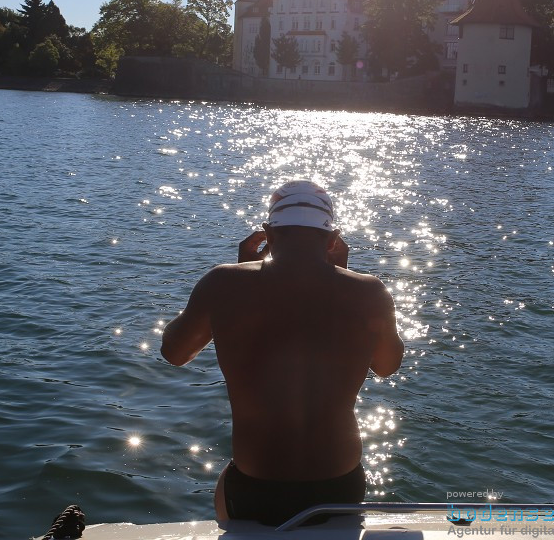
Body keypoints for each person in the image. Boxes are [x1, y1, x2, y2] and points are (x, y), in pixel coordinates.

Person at [160, 180, 404, 526]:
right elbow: (387, 366)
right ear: (333, 240)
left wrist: (236, 280)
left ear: (267, 234)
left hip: (254, 487)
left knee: (224, 495)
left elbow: (174, 352)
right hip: (340, 484)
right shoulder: (369, 291)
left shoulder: (223, 282)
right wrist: (347, 279)